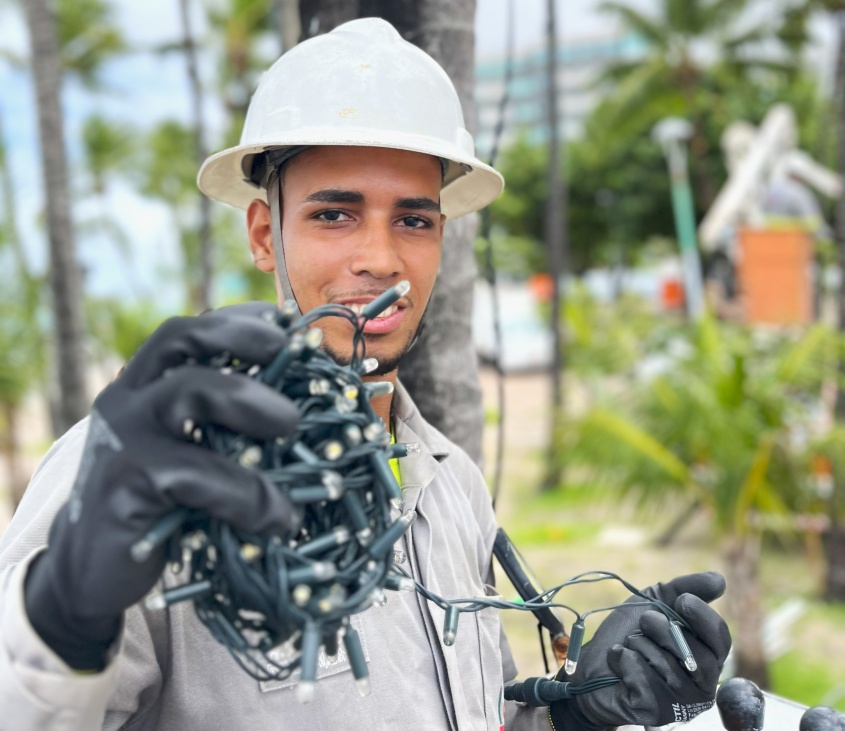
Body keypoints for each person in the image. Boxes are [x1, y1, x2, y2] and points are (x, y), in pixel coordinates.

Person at [0, 18, 731, 731]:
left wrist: (573, 709)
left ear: (441, 237)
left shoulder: (452, 485)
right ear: (264, 234)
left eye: (412, 220)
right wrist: (64, 610)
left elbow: (456, 706)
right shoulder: (146, 472)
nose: (381, 258)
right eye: (334, 215)